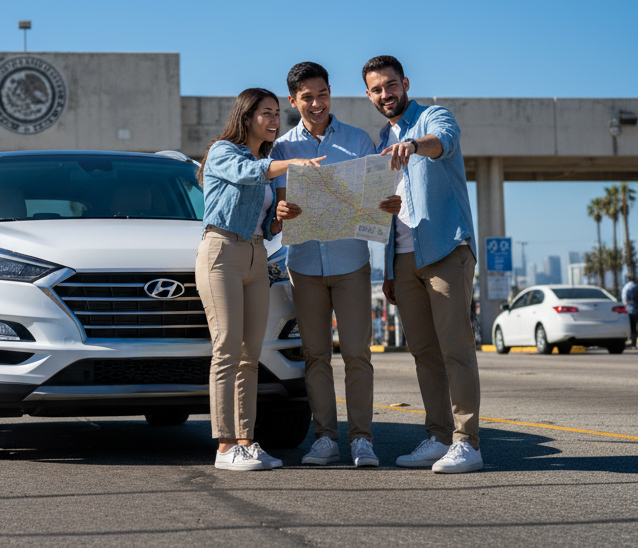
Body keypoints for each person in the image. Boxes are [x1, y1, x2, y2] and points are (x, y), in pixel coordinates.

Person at [272, 62, 402, 467]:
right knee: (315, 356)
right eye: (306, 97)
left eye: (322, 94)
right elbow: (274, 214)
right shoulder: (282, 150)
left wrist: (388, 205)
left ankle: (362, 438)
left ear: (331, 93)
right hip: (305, 265)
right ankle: (325, 438)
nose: (316, 103)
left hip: (351, 263)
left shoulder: (359, 140)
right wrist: (280, 210)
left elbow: (379, 200)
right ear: (293, 101)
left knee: (358, 354)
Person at [362, 55, 484, 474]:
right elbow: (392, 211)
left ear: (405, 83)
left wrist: (414, 145)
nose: (385, 94)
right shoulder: (381, 139)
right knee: (424, 353)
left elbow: (442, 142)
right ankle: (437, 436)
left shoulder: (433, 117)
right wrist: (390, 269)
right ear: (369, 94)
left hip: (445, 249)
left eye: (391, 85)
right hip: (404, 257)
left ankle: (467, 442)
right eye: (377, 89)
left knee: (456, 348)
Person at [196, 87, 324, 471]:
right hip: (221, 252)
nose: (273, 120)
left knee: (251, 355)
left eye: (276, 114)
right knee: (227, 350)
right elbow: (244, 173)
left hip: (256, 255)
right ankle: (224, 447)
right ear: (246, 116)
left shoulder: (265, 161)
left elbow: (266, 227)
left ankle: (246, 442)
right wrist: (292, 164)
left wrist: (279, 217)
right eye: (265, 113)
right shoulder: (224, 152)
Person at [623, 276, 637, 347]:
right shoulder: (635, 287)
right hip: (635, 309)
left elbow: (626, 300)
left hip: (631, 310)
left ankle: (633, 342)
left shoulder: (627, 288)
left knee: (632, 327)